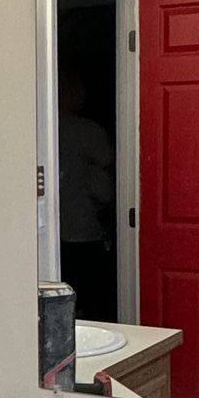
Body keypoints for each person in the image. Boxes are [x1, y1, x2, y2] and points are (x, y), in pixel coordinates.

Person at [57, 67, 116, 323]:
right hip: (83, 228)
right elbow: (110, 161)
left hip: (54, 233)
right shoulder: (86, 131)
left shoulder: (39, 127)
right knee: (93, 296)